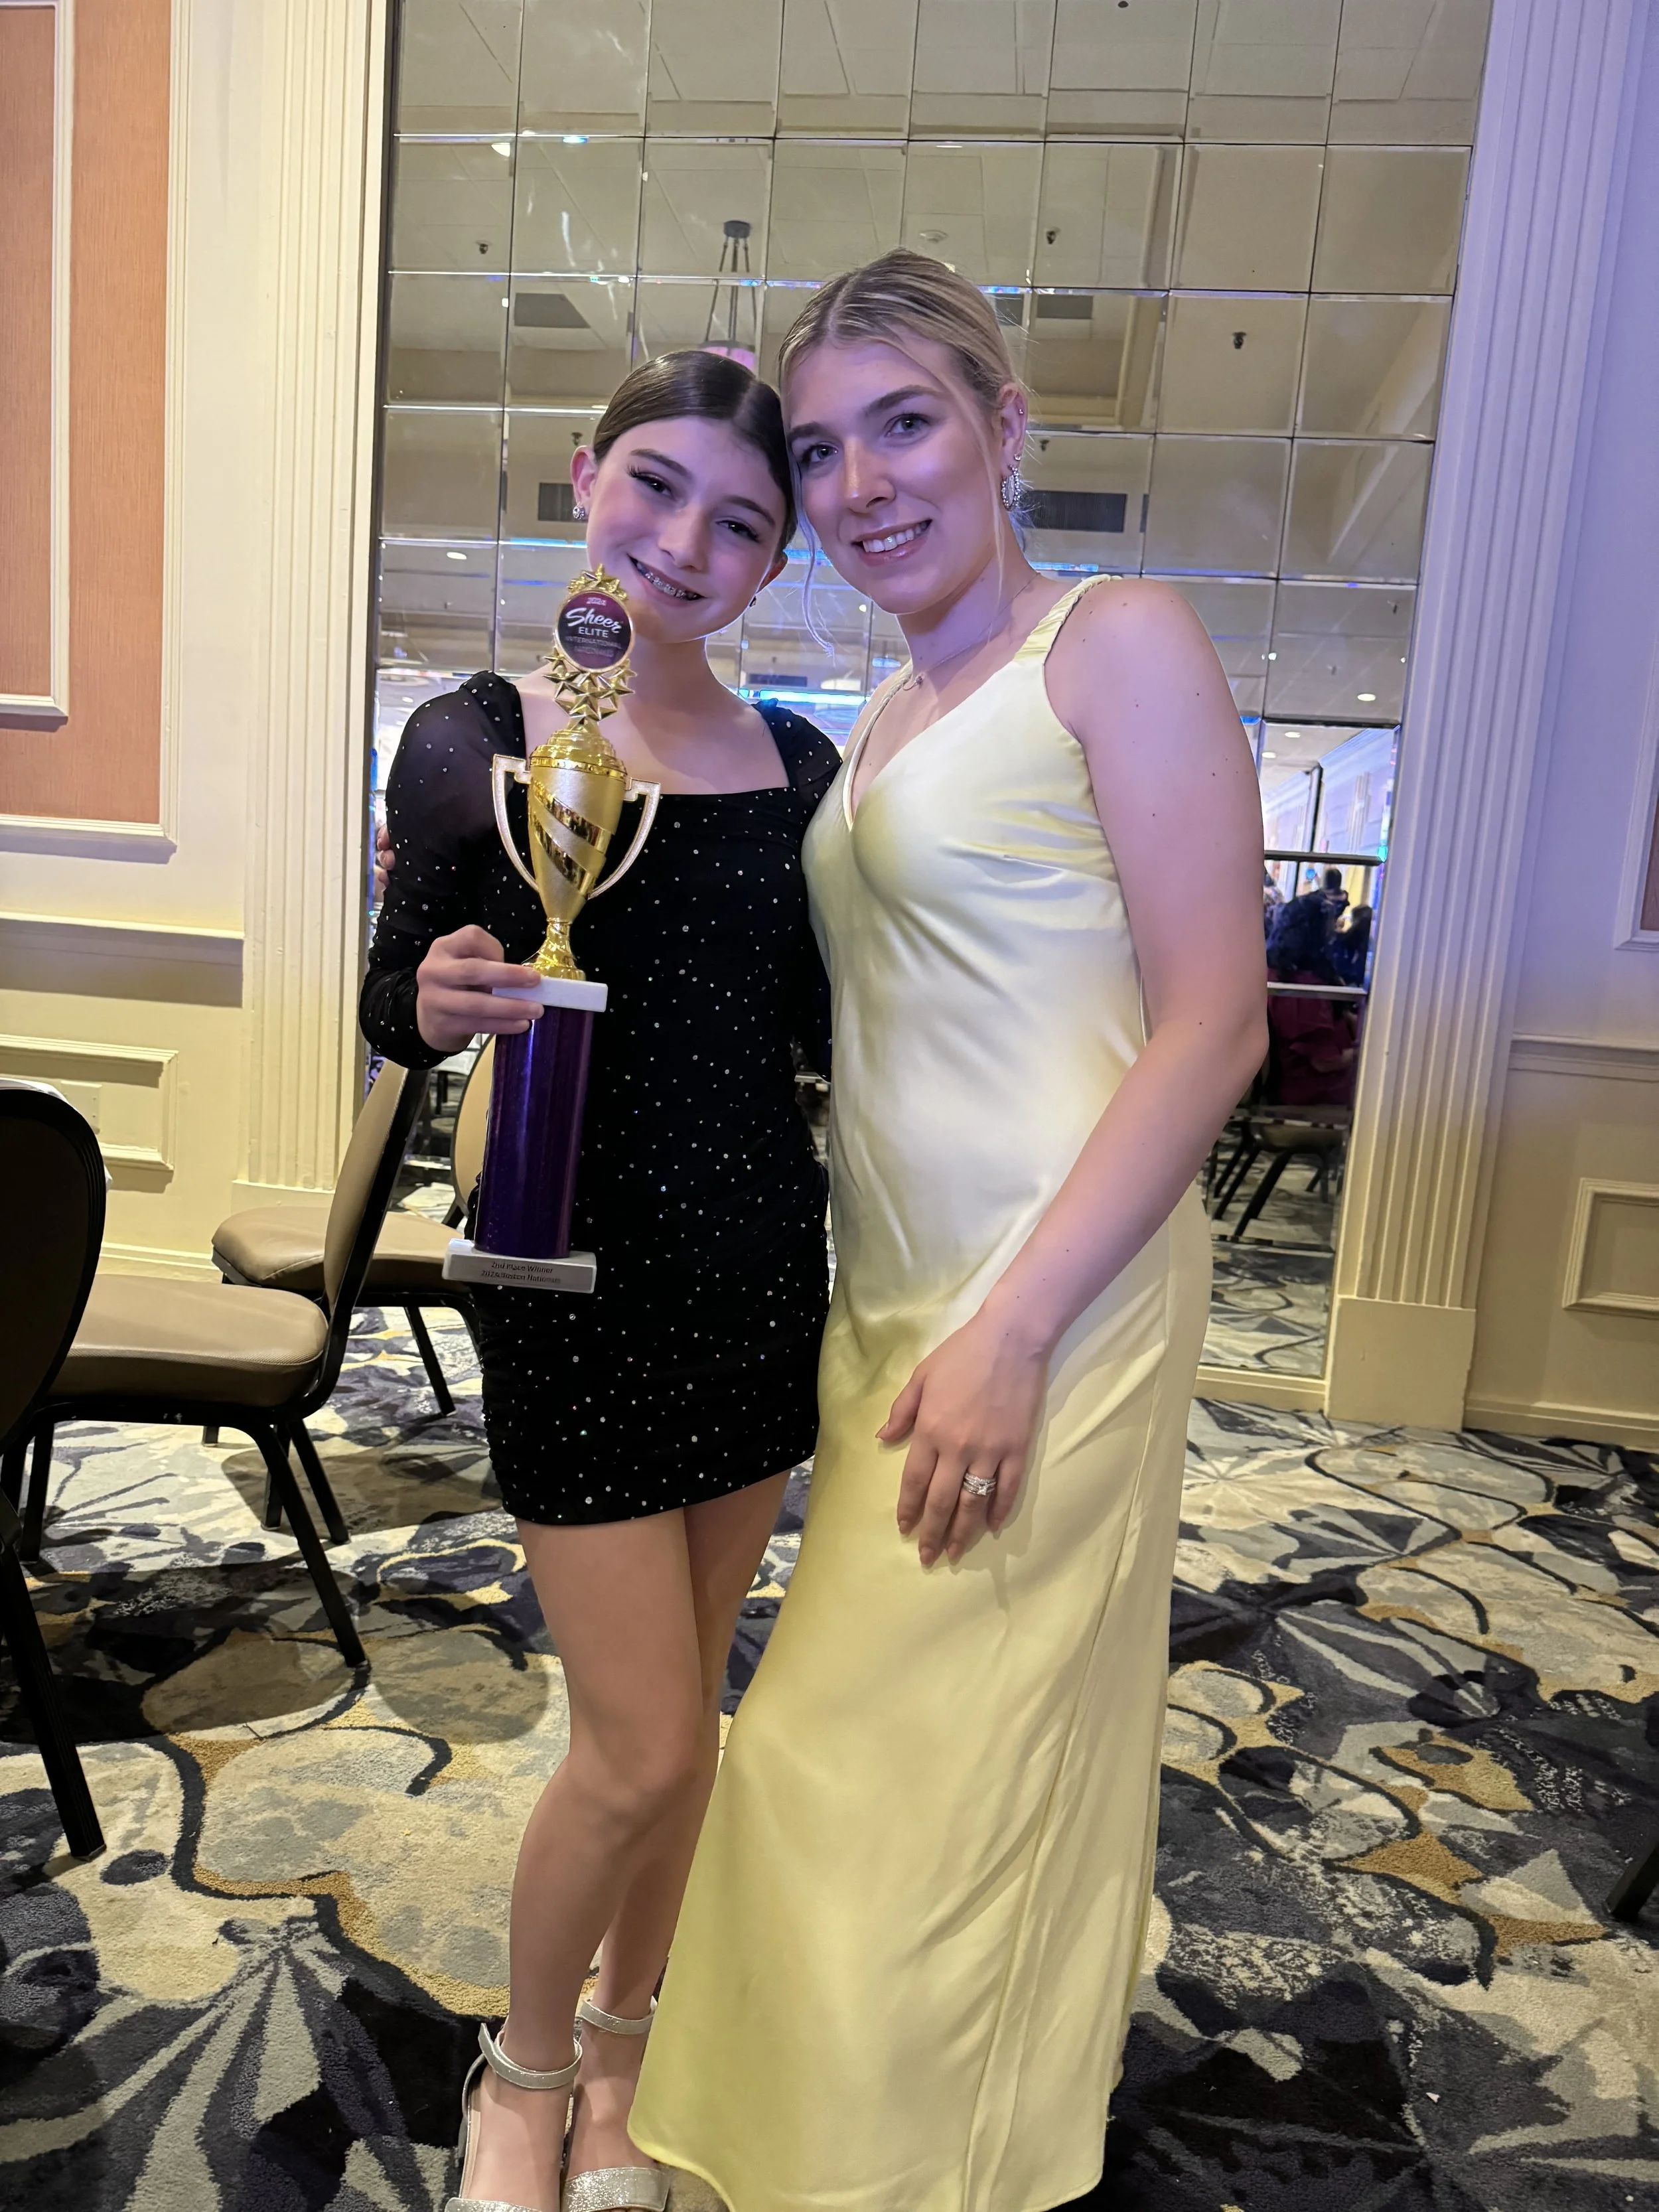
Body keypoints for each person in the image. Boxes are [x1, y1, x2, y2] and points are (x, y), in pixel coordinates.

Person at [628, 249, 1267, 2212]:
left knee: (871, 1754)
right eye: (817, 451)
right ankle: (858, 2140)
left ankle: (921, 2166)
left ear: (1002, 426)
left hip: (1044, 1302)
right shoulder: (890, 705)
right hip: (893, 1299)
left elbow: (1213, 1019)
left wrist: (1012, 1327)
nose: (856, 485)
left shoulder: (1115, 638)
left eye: (901, 424)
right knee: (882, 1751)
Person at [358, 350, 839, 2212]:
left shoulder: (793, 764)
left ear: (776, 556)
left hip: (749, 1278)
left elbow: (813, 1028)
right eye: (652, 486)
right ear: (583, 479)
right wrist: (444, 988)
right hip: (560, 1272)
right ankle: (522, 2068)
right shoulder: (477, 730)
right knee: (634, 1736)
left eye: (739, 519)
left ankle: (629, 2065)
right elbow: (392, 987)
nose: (683, 541)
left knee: (683, 1726)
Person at [1265, 891, 1359, 1106]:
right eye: (1329, 929)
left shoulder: (1276, 973)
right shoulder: (1304, 990)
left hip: (1298, 1087)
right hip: (1314, 1094)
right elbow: (1325, 1063)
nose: (1334, 934)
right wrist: (1366, 1051)